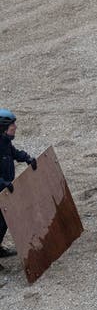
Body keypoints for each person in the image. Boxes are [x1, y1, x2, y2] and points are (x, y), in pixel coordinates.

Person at [0, 108, 38, 257]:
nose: (15, 127)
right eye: (12, 126)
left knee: (4, 223)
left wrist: (27, 158)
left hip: (5, 191)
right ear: (3, 129)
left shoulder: (5, 142)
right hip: (2, 189)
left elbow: (14, 153)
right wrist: (2, 183)